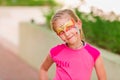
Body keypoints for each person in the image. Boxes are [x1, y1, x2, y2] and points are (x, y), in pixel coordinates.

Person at [40, 9, 107, 80]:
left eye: (69, 27)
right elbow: (43, 69)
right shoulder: (56, 52)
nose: (67, 34)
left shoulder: (94, 54)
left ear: (79, 24)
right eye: (61, 32)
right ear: (58, 35)